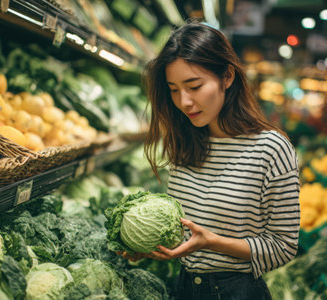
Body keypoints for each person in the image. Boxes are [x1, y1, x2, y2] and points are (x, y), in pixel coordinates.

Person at [123, 21, 300, 300]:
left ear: (227, 77)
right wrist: (152, 246)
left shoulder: (271, 149)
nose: (184, 102)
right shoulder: (185, 141)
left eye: (194, 86)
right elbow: (188, 234)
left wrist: (212, 243)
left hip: (237, 292)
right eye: (173, 89)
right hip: (184, 289)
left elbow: (284, 247)